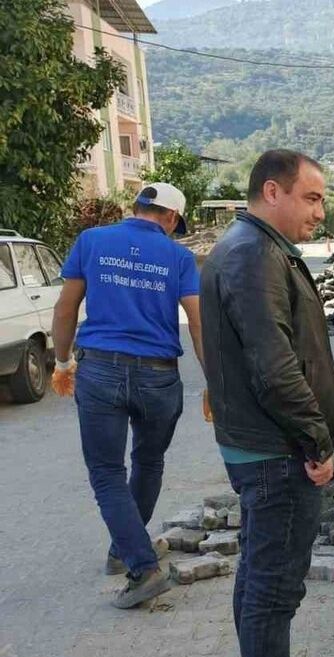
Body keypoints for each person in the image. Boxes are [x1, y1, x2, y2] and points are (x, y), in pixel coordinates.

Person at [200, 149, 334, 657]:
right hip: (278, 453)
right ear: (272, 192)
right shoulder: (253, 256)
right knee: (272, 592)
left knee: (258, 581)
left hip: (260, 446)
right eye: (311, 197)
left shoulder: (250, 250)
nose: (320, 211)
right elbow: (274, 366)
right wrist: (316, 442)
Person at [50, 182, 203, 609]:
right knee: (149, 462)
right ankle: (128, 550)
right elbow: (197, 323)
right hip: (159, 376)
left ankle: (140, 564)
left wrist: (62, 364)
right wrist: (214, 384)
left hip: (99, 371)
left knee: (106, 473)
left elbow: (65, 309)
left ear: (136, 208)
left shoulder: (92, 241)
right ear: (171, 218)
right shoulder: (179, 257)